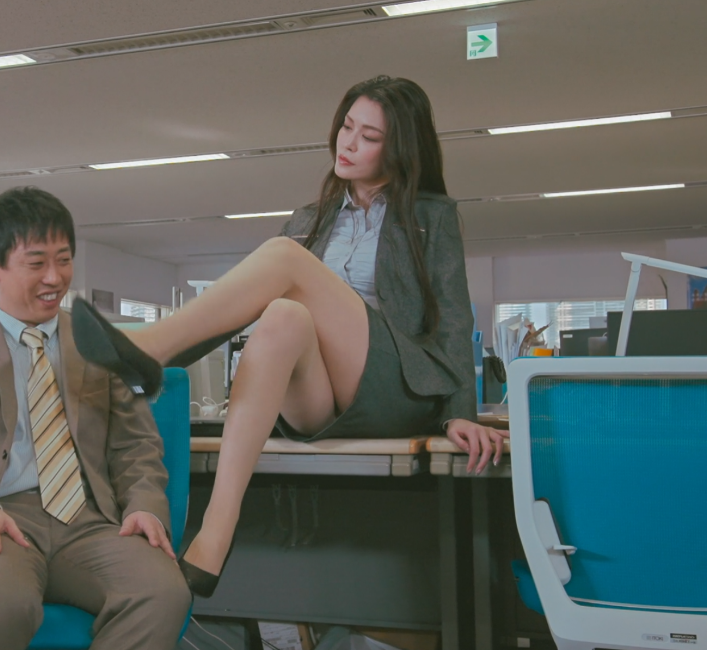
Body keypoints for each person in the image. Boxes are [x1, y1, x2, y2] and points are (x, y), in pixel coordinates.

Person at [70, 75, 509, 598]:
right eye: (347, 126)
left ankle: (151, 353)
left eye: (369, 136)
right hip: (323, 397)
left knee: (283, 260)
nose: (349, 143)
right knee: (281, 315)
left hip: (394, 387)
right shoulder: (309, 219)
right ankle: (216, 531)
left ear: (401, 148)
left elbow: (453, 317)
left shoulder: (431, 217)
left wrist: (459, 411)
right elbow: (236, 311)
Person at [0, 187, 191, 648]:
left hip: (90, 519)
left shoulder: (97, 342)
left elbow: (136, 446)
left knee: (162, 593)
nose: (55, 277)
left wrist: (144, 505)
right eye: (36, 263)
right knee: (2, 602)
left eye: (64, 260)